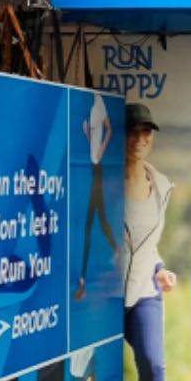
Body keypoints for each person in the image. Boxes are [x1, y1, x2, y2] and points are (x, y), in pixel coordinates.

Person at [120, 103, 176, 381]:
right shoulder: (102, 179)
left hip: (143, 290)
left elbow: (148, 243)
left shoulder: (162, 185)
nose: (140, 139)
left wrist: (160, 268)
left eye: (146, 132)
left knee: (154, 366)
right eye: (133, 131)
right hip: (104, 293)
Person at [75, 95, 117, 300]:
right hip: (93, 167)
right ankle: (116, 250)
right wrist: (88, 135)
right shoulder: (90, 104)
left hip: (97, 168)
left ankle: (82, 280)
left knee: (90, 224)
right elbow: (96, 137)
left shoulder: (99, 103)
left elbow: (110, 130)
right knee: (99, 220)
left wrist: (101, 150)